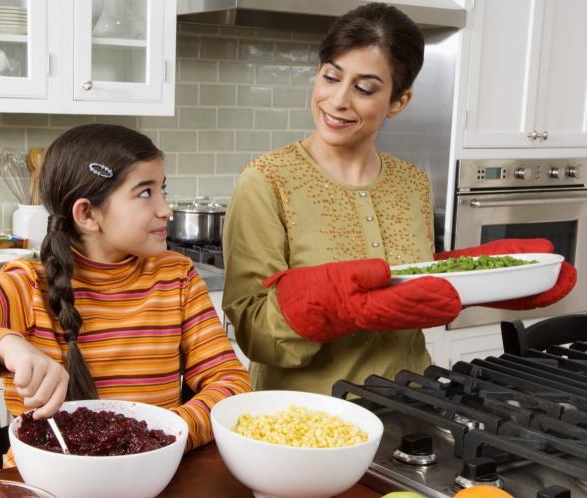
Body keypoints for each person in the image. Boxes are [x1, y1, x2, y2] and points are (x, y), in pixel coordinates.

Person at [222, 2, 576, 394]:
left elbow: (412, 285)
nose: (338, 100)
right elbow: (253, 332)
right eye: (330, 77)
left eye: (364, 88)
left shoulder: (412, 183)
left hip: (411, 401)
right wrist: (337, 307)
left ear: (398, 102)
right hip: (308, 417)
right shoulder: (266, 182)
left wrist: (485, 280)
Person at [0, 124, 252, 466]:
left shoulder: (177, 277)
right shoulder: (27, 285)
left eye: (162, 189)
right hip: (45, 480)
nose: (165, 209)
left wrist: (168, 433)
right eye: (145, 193)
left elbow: (231, 382)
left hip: (151, 476)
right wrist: (6, 345)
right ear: (87, 214)